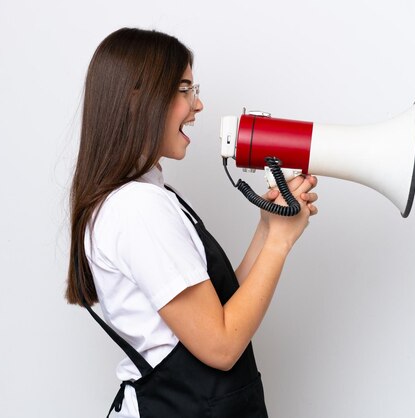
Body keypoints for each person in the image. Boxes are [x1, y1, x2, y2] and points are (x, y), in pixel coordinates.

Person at [66, 27, 319, 418]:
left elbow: (218, 308)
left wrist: (269, 228)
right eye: (184, 89)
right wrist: (279, 244)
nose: (198, 104)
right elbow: (220, 344)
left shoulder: (147, 197)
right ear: (139, 99)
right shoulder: (137, 208)